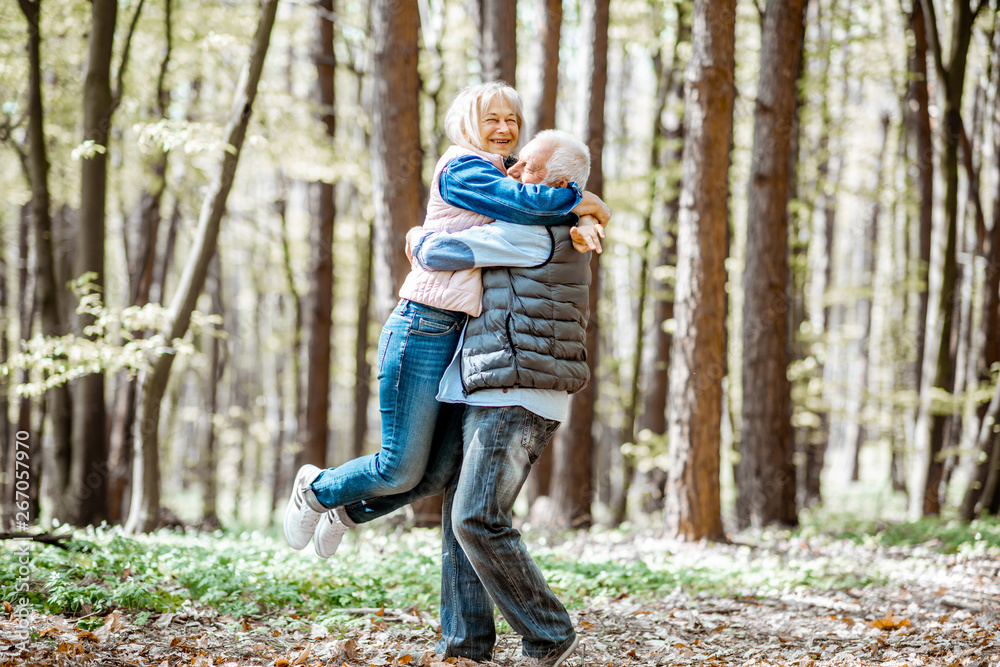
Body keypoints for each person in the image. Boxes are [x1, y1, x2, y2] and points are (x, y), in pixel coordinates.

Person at [283, 82, 610, 559]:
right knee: (399, 466)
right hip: (424, 324)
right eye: (492, 118)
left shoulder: (503, 175)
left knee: (434, 474)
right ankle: (318, 489)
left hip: (461, 339)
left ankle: (347, 512)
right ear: (467, 124)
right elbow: (522, 204)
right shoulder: (463, 166)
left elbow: (539, 193)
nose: (505, 129)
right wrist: (581, 202)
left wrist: (582, 210)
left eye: (512, 120)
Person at [321, 129, 600, 667]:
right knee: (458, 511)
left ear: (560, 183)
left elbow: (444, 250)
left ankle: (549, 631)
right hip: (494, 388)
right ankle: (466, 645)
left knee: (477, 518)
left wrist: (416, 236)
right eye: (516, 167)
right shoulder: (551, 222)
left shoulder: (536, 231)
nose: (514, 176)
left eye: (530, 170)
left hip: (517, 394)